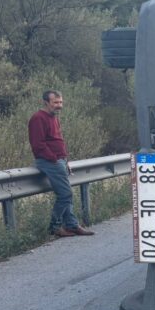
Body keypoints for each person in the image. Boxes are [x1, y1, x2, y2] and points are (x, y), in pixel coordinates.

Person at [28, 90, 94, 237]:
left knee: (67, 194)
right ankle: (55, 226)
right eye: (55, 103)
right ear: (46, 102)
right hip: (49, 161)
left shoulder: (54, 117)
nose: (59, 106)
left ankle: (71, 225)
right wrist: (54, 158)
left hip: (60, 160)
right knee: (65, 194)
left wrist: (65, 160)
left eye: (61, 102)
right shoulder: (38, 118)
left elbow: (58, 140)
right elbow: (38, 144)